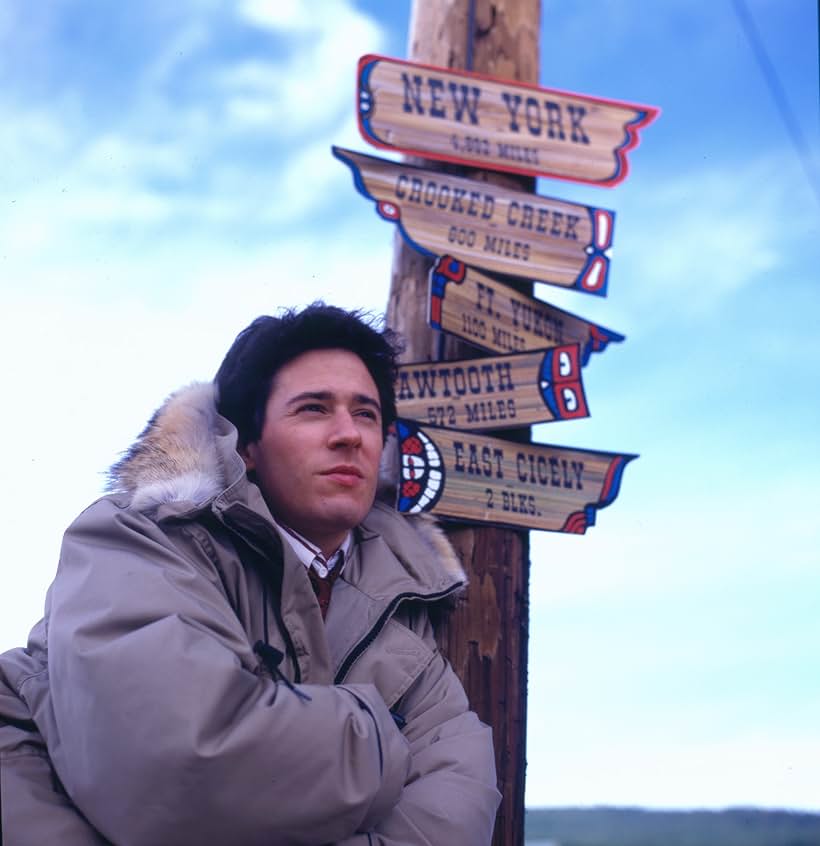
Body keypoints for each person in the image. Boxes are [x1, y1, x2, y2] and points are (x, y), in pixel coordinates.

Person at [0, 303, 501, 845]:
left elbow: (458, 805)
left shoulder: (411, 599)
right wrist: (383, 736)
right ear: (248, 446)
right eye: (313, 409)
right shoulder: (138, 539)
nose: (348, 434)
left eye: (366, 414)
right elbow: (187, 768)